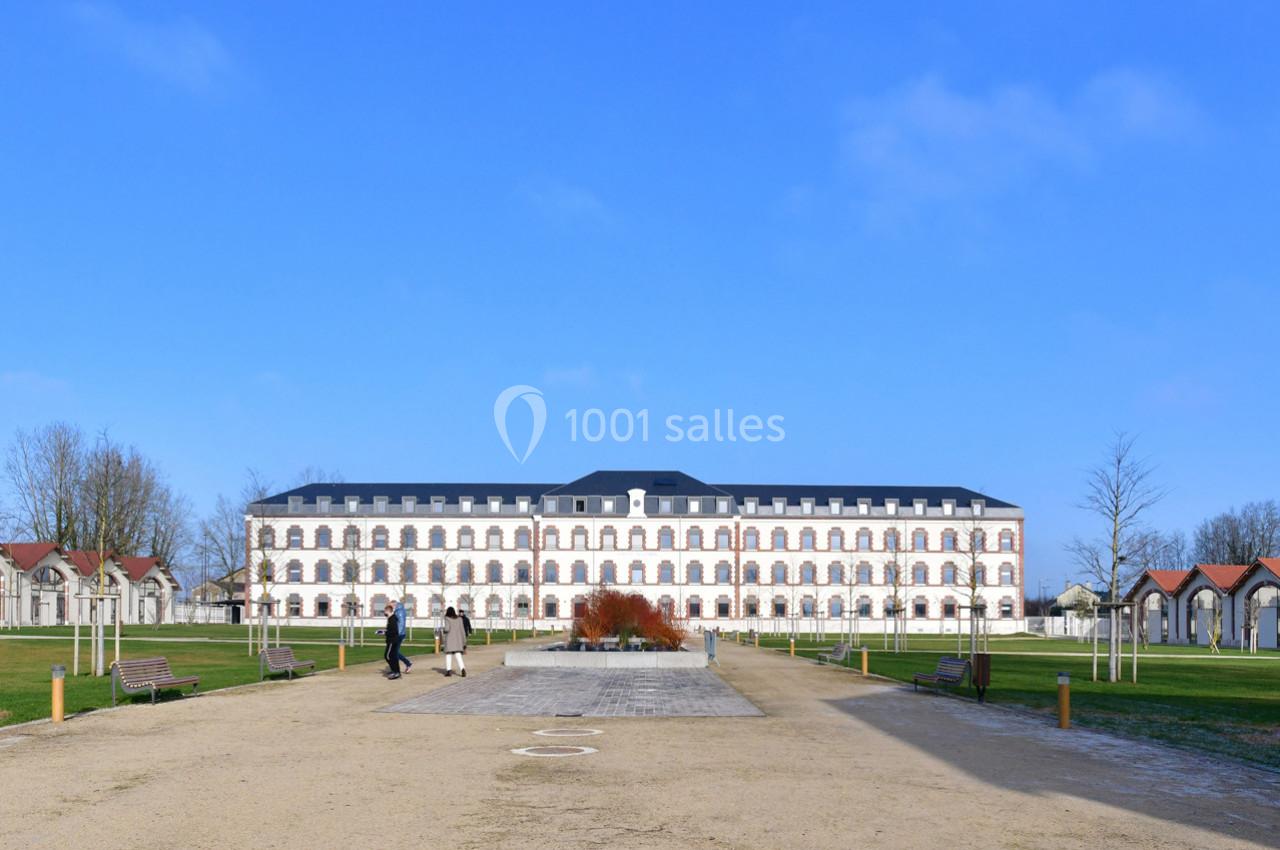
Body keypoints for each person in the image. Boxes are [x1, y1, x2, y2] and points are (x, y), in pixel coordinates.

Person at [442, 605, 467, 677]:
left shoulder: (447, 618)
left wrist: (443, 630)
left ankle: (448, 671)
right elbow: (462, 631)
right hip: (458, 640)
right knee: (458, 655)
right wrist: (464, 642)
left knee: (448, 655)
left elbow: (447, 629)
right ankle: (462, 669)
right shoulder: (459, 619)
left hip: (450, 640)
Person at [383, 603, 402, 679]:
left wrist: (385, 632)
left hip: (392, 641)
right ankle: (395, 671)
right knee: (392, 656)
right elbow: (391, 629)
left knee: (388, 656)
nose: (384, 613)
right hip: (391, 640)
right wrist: (385, 631)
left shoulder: (393, 619)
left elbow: (394, 631)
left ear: (388, 611)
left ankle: (396, 672)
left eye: (385, 611)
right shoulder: (390, 619)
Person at [394, 599, 413, 673]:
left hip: (399, 634)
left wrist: (397, 634)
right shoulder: (399, 610)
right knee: (394, 651)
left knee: (394, 651)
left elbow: (401, 624)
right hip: (399, 633)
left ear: (394, 604)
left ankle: (407, 663)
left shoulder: (399, 611)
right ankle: (407, 663)